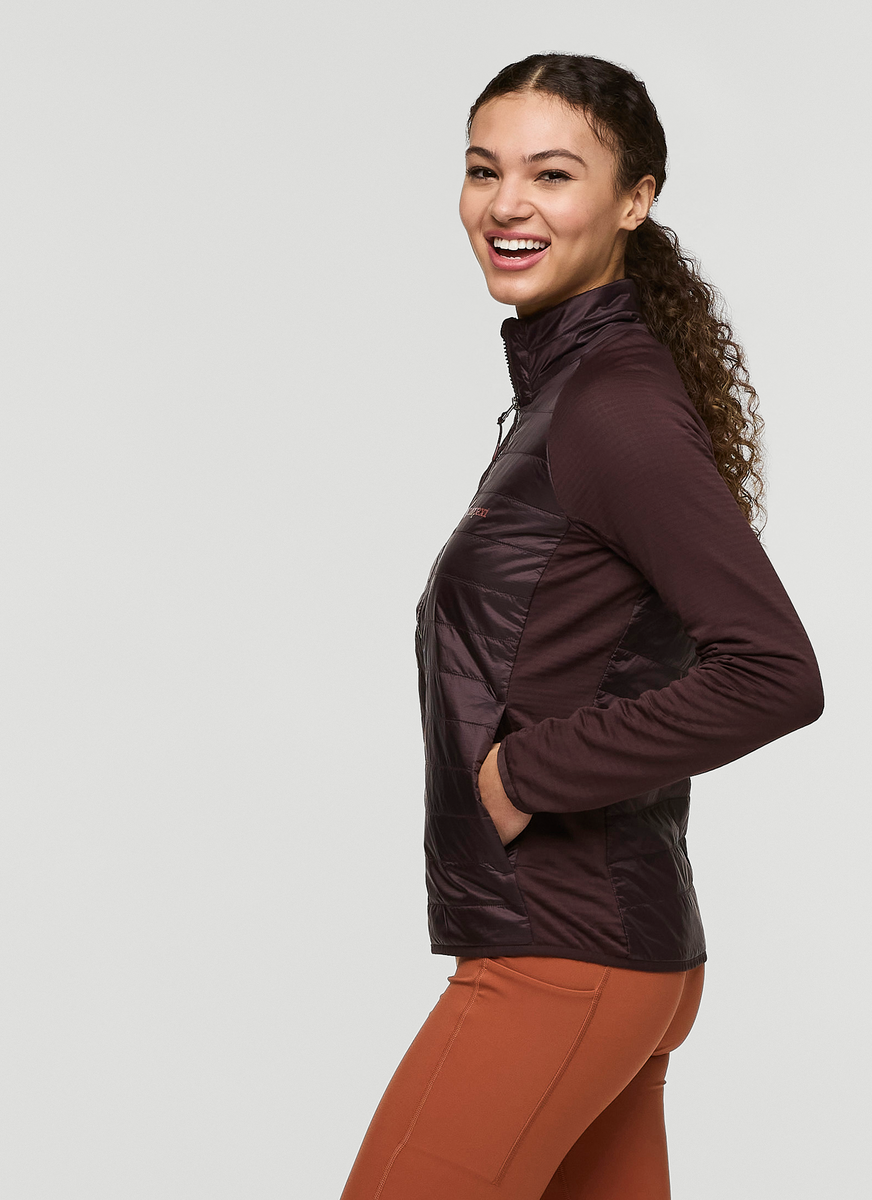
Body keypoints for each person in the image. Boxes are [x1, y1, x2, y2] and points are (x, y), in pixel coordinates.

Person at [340, 53, 823, 1200]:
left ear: (634, 198)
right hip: (603, 950)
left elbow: (773, 670)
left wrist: (526, 774)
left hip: (562, 952)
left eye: (552, 175)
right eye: (483, 170)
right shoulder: (570, 393)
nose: (506, 204)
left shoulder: (609, 404)